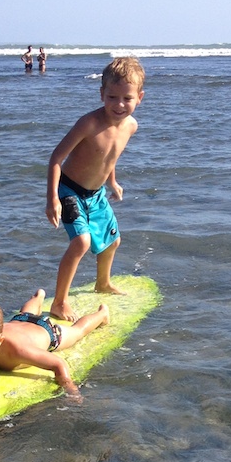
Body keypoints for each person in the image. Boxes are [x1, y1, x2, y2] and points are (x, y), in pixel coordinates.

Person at [46, 56, 145, 321]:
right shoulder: (88, 124)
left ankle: (102, 283)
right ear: (101, 94)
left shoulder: (131, 126)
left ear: (140, 98)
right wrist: (52, 199)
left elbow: (109, 156)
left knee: (113, 240)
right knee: (81, 242)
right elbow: (56, 158)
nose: (119, 104)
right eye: (112, 97)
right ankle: (59, 302)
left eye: (127, 98)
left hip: (97, 193)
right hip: (70, 190)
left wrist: (112, 181)